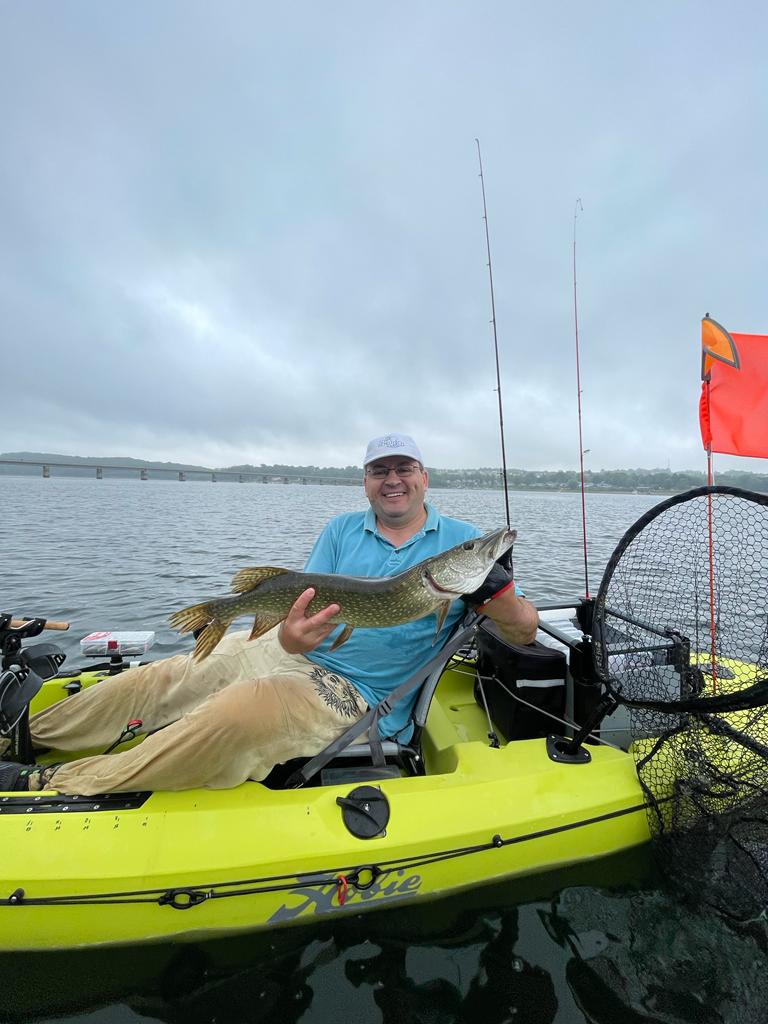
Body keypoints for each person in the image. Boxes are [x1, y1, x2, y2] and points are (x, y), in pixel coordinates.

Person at [0, 433, 538, 795]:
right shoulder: (341, 529)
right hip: (295, 654)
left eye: (404, 468)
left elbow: (523, 631)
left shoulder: (464, 541)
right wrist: (292, 638)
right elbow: (299, 611)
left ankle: (59, 782)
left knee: (233, 715)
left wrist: (501, 594)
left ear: (424, 477)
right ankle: (23, 737)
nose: (392, 479)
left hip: (362, 693)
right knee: (170, 673)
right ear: (366, 481)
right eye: (379, 471)